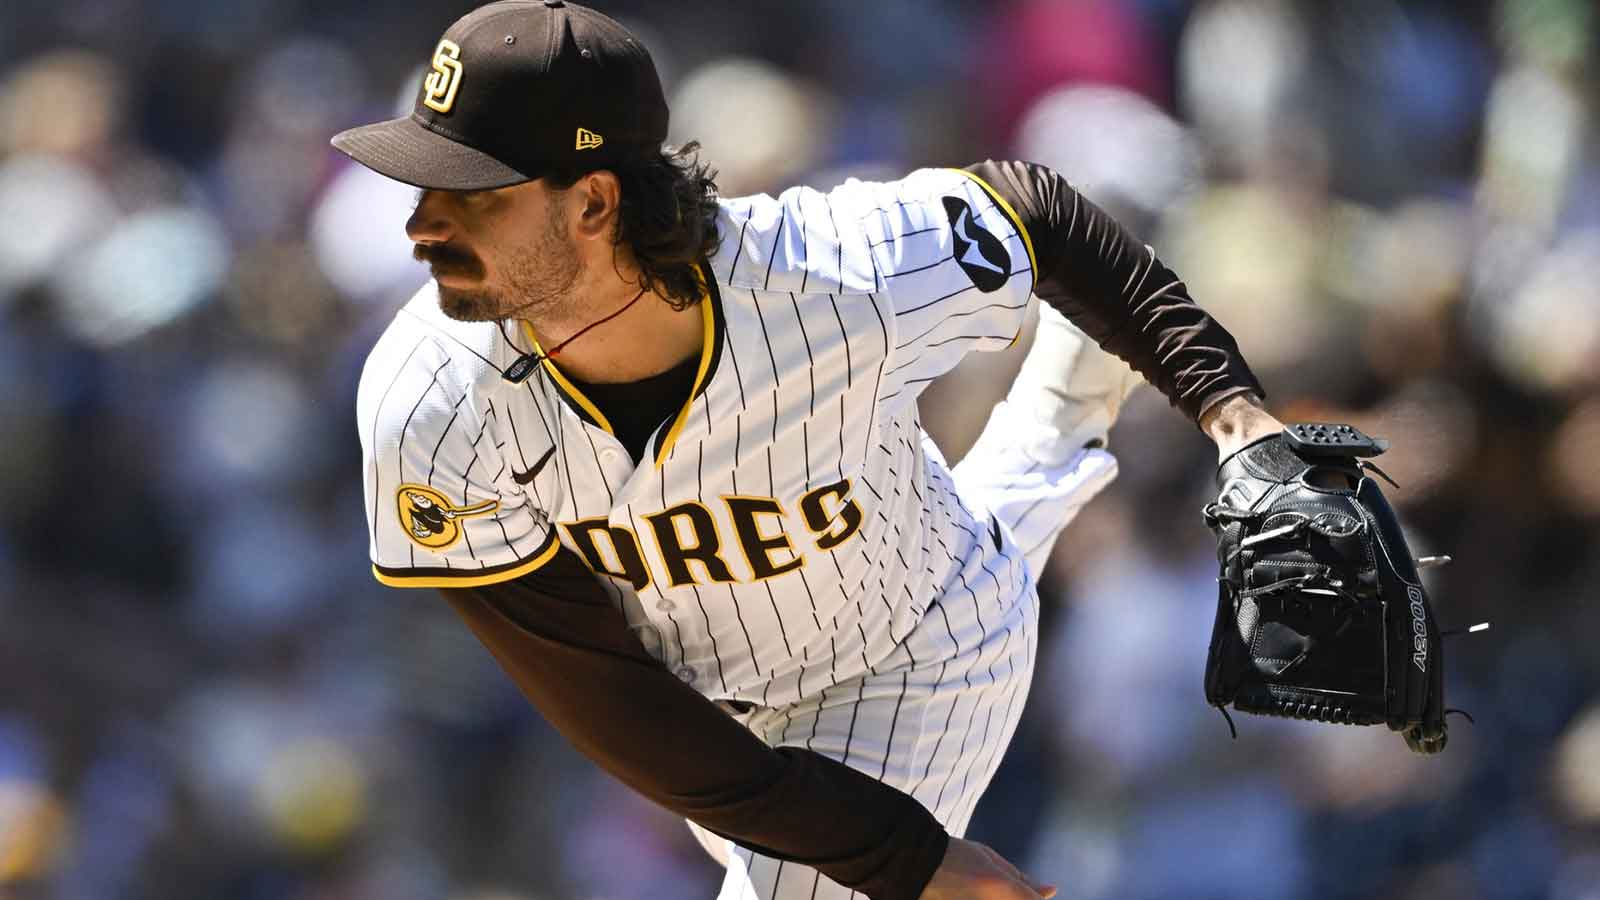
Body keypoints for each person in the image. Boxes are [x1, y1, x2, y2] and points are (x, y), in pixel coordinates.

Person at [331, 2, 1280, 898]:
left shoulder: (824, 273)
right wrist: (904, 858)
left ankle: (1065, 401)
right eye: (423, 186)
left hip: (915, 653)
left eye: (473, 195)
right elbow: (612, 703)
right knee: (965, 536)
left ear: (592, 203)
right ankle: (1059, 411)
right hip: (726, 726)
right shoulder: (430, 399)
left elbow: (1039, 215)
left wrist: (1239, 418)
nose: (421, 225)